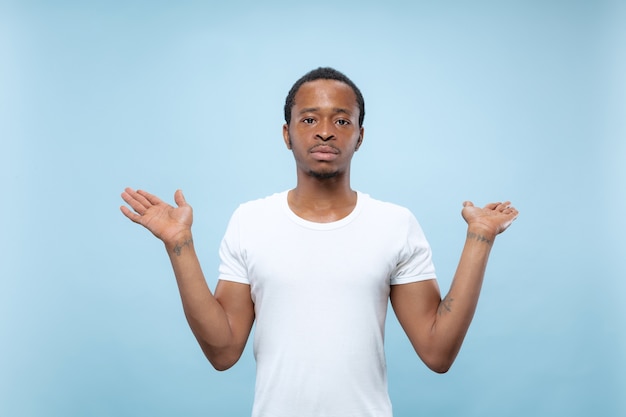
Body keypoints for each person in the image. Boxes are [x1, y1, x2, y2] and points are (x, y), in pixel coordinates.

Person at [120, 67, 519, 417]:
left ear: (360, 136)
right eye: (309, 119)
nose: (325, 130)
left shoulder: (395, 223)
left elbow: (438, 352)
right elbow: (223, 352)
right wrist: (180, 243)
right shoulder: (250, 220)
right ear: (286, 133)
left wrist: (479, 237)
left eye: (342, 121)